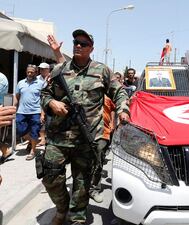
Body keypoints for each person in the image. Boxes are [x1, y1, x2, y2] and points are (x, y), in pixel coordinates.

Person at [41, 29, 130, 225]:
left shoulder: (102, 70)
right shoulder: (59, 70)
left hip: (87, 138)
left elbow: (120, 93)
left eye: (83, 43)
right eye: (76, 42)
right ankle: (62, 209)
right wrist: (51, 104)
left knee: (82, 183)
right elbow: (45, 94)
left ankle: (77, 218)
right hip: (59, 136)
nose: (78, 45)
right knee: (50, 177)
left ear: (91, 48)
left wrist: (124, 111)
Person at [15, 64, 44, 160]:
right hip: (21, 111)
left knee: (35, 131)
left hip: (35, 111)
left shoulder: (41, 83)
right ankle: (32, 142)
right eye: (28, 72)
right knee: (20, 130)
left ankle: (33, 151)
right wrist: (14, 107)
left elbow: (43, 99)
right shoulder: (20, 83)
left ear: (36, 72)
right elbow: (17, 96)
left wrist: (43, 114)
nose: (30, 73)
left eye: (32, 72)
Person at [38, 62, 51, 147]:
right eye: (40, 69)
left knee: (49, 123)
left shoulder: (52, 77)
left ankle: (48, 139)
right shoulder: (36, 79)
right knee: (41, 123)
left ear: (48, 70)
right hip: (38, 103)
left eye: (43, 69)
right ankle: (42, 139)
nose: (41, 70)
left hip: (49, 103)